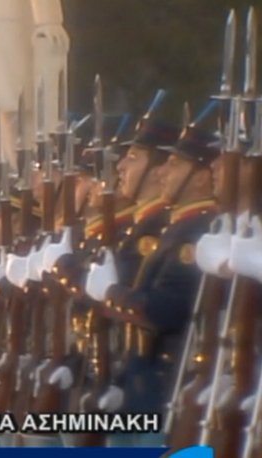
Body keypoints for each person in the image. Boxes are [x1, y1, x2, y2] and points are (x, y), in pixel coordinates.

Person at [86, 107, 219, 448]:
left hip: (161, 388)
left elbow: (162, 310)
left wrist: (109, 291)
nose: (163, 172)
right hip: (138, 385)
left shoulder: (196, 231)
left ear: (201, 178)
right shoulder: (176, 228)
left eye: (174, 164)